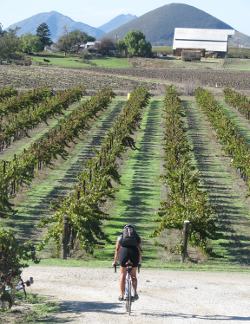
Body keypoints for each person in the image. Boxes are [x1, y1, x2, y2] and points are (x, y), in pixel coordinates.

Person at [113, 224, 142, 301]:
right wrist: (139, 262)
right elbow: (139, 250)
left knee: (123, 274)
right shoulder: (137, 237)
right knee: (133, 275)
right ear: (133, 231)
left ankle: (122, 295)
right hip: (134, 253)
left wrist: (114, 261)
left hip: (124, 252)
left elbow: (117, 250)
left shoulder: (120, 237)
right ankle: (135, 293)